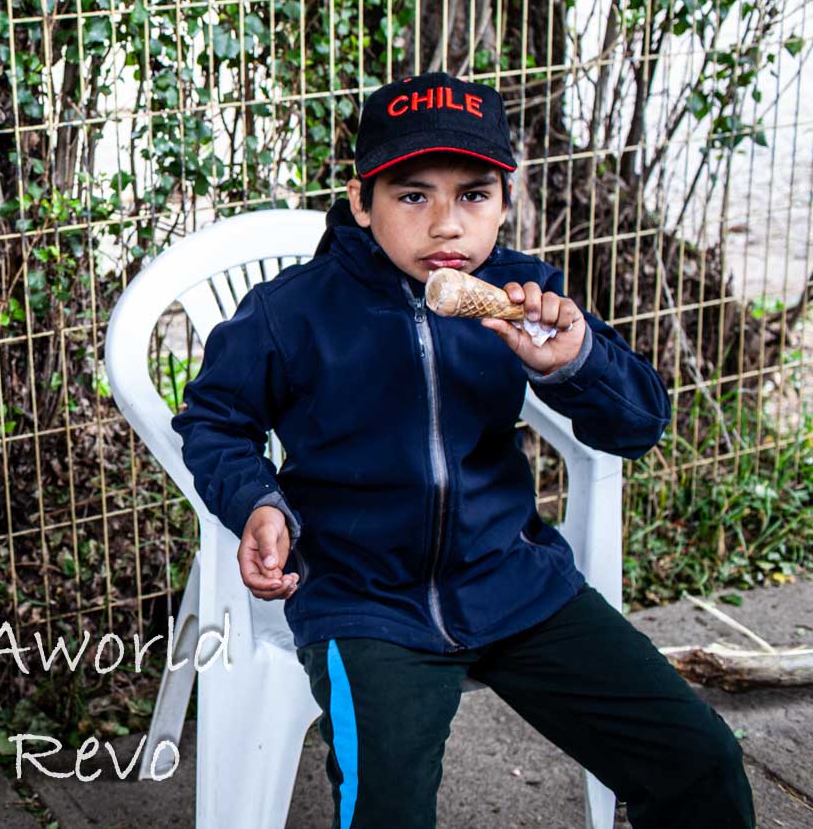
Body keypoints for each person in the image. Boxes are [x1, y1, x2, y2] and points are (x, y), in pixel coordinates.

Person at [172, 72, 753, 828]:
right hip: (365, 600)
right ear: (361, 201)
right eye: (413, 196)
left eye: (474, 195)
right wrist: (257, 501)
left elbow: (637, 422)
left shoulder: (526, 294)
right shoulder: (294, 311)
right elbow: (214, 418)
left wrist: (576, 362)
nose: (447, 225)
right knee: (388, 809)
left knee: (700, 760)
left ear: (505, 203)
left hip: (510, 579)